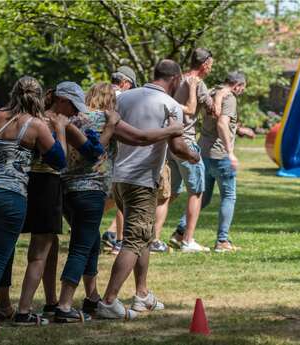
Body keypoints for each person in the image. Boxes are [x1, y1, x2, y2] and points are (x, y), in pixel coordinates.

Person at [54, 81, 184, 322]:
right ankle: (64, 305)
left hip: (66, 191)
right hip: (90, 192)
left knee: (90, 243)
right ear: (111, 103)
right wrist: (172, 129)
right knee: (82, 249)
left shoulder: (69, 120)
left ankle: (91, 298)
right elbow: (141, 137)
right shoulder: (105, 121)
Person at [97, 60, 200, 320]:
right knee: (133, 240)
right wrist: (193, 156)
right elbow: (177, 147)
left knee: (141, 236)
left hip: (118, 178)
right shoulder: (171, 106)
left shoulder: (124, 97)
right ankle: (109, 301)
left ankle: (142, 295)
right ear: (175, 79)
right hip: (142, 180)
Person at [0, 76, 68, 331]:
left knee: (1, 250)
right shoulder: (36, 126)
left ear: (14, 93)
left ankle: (3, 307)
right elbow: (59, 160)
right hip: (8, 195)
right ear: (39, 96)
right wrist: (62, 130)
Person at [12, 81, 105, 326]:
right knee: (40, 251)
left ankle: (51, 301)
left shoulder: (28, 117)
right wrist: (107, 128)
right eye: (73, 106)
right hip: (48, 187)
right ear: (61, 100)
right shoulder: (59, 122)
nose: (76, 112)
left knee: (49, 245)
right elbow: (92, 152)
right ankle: (27, 309)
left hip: (23, 184)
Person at [167, 48, 228, 252]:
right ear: (205, 64)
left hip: (169, 142)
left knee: (170, 193)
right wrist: (219, 95)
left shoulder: (176, 79)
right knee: (197, 191)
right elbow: (214, 111)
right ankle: (187, 240)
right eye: (211, 64)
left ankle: (152, 237)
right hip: (186, 142)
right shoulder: (197, 83)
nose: (211, 68)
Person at [198, 71, 246, 252]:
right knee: (229, 196)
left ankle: (180, 232)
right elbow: (222, 124)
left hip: (203, 151)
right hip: (220, 155)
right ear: (238, 86)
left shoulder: (211, 92)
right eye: (242, 88)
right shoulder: (230, 97)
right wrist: (230, 152)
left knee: (202, 197)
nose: (241, 92)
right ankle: (222, 241)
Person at [102, 65, 138, 253]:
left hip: (95, 150)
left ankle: (83, 226)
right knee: (122, 196)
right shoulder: (123, 97)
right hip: (117, 152)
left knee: (105, 195)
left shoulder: (98, 93)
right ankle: (120, 241)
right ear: (125, 83)